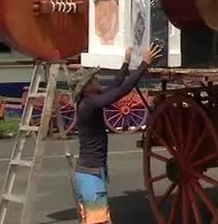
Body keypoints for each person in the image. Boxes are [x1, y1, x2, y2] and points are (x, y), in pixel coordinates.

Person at [69, 44, 163, 223]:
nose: (98, 80)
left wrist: (126, 63)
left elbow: (115, 85)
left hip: (92, 172)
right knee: (98, 221)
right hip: (91, 175)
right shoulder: (88, 105)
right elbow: (121, 91)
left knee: (94, 219)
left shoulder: (88, 101)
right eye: (94, 79)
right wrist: (144, 64)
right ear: (87, 86)